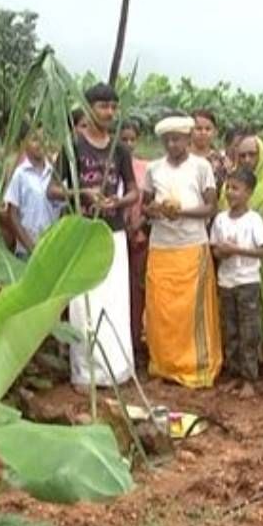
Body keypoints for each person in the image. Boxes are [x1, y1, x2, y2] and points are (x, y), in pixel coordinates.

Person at [55, 83, 138, 389]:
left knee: (115, 302)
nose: (109, 113)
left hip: (112, 232)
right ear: (88, 109)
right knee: (83, 303)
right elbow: (53, 189)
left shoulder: (120, 148)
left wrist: (118, 202)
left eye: (114, 107)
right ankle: (86, 373)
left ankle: (117, 371)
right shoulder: (72, 146)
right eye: (103, 106)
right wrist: (83, 193)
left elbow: (133, 190)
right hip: (82, 235)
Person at [143, 116, 222, 388]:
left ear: (188, 140)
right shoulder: (153, 169)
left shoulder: (202, 167)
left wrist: (182, 212)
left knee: (191, 310)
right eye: (167, 140)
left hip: (191, 244)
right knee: (162, 308)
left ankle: (195, 365)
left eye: (177, 139)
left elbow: (210, 207)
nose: (172, 144)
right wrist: (156, 209)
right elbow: (144, 206)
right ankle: (164, 364)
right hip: (162, 246)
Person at [211, 168, 263, 383]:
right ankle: (234, 374)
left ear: (249, 193)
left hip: (247, 282)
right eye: (228, 187)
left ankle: (249, 378)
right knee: (230, 330)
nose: (230, 193)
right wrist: (223, 252)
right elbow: (215, 251)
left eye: (236, 189)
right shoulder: (220, 220)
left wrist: (237, 250)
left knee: (249, 331)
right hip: (226, 282)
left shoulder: (253, 220)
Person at [228, 131, 263, 375]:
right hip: (233, 263)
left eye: (252, 154)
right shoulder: (230, 186)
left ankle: (262, 359)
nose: (248, 159)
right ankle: (239, 364)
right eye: (243, 155)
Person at [120, 119, 151, 363]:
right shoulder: (111, 166)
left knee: (138, 290)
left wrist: (136, 227)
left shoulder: (145, 168)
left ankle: (136, 342)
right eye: (124, 139)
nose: (128, 144)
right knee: (120, 291)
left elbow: (150, 204)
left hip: (140, 237)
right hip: (116, 237)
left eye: (132, 139)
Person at [3, 123, 59, 257]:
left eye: (44, 139)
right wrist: (30, 247)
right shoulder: (20, 174)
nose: (41, 144)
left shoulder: (55, 173)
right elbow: (12, 214)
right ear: (24, 143)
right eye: (34, 140)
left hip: (53, 247)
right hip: (28, 250)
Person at [190, 108, 229, 186]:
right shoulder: (180, 158)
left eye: (208, 129)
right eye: (198, 128)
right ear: (189, 130)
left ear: (215, 132)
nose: (203, 132)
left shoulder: (222, 160)